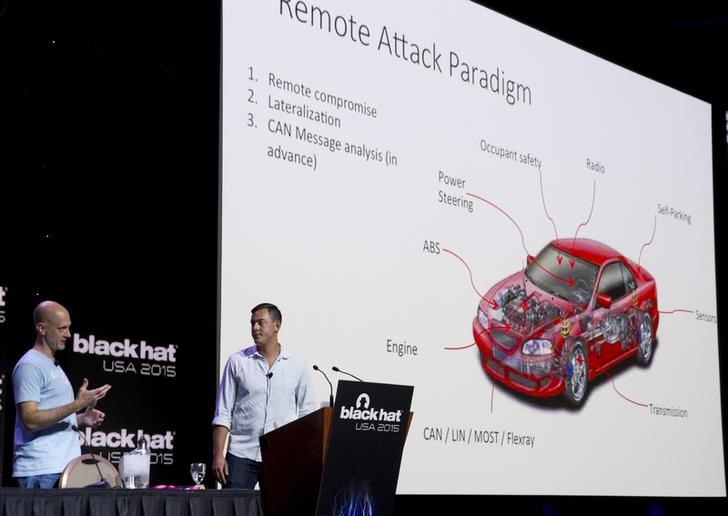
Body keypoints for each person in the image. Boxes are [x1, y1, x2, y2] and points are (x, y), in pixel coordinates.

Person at [212, 302, 317, 489]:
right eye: (252, 323)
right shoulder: (237, 362)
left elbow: (307, 414)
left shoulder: (297, 364)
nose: (255, 328)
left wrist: (304, 455)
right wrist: (218, 456)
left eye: (260, 323)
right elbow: (223, 412)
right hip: (241, 454)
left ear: (277, 326)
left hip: (283, 455)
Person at [12, 300, 112, 488]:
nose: (68, 334)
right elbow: (30, 419)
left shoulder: (51, 364)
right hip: (41, 471)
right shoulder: (29, 366)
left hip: (63, 468)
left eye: (69, 328)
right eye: (62, 329)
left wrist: (81, 419)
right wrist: (77, 404)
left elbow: (51, 414)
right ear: (42, 328)